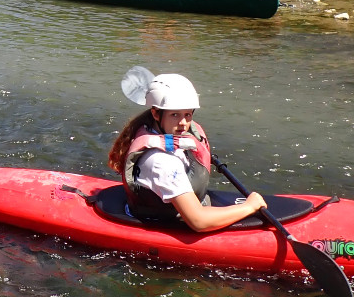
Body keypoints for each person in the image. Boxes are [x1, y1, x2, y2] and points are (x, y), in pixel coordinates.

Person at [108, 72, 267, 231]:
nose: (183, 124)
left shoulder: (159, 129)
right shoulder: (161, 163)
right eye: (175, 115)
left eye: (187, 114)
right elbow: (199, 222)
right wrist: (249, 207)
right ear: (155, 113)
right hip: (165, 220)